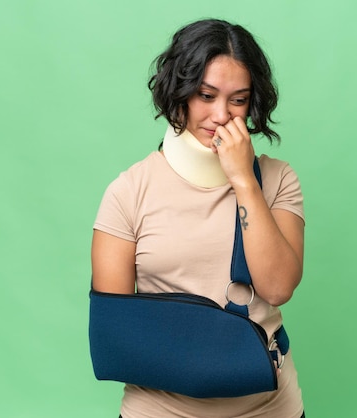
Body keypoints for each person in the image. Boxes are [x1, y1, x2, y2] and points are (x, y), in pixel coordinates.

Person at [91, 18, 305, 418]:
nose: (220, 114)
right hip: (157, 410)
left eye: (238, 100)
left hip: (269, 408)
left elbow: (276, 288)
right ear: (181, 93)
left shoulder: (276, 179)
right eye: (206, 95)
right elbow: (116, 336)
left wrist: (243, 179)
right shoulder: (128, 191)